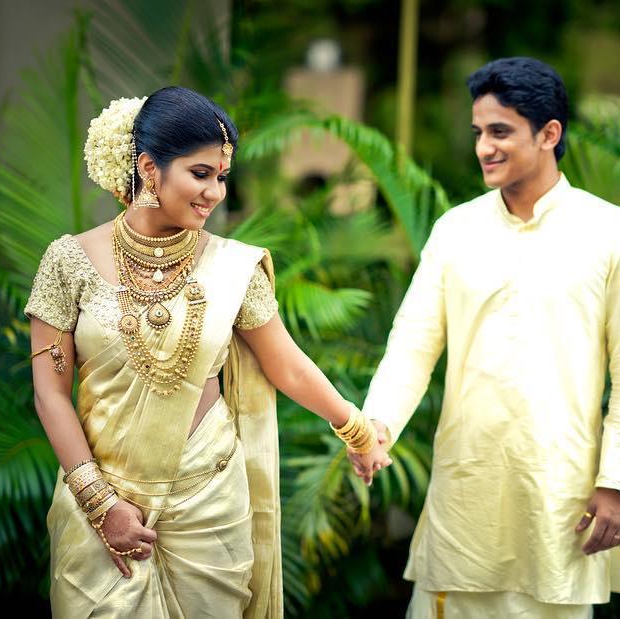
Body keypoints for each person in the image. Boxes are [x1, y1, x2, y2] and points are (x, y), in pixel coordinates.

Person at [25, 86, 391, 618]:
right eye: (200, 174)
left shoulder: (232, 267)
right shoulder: (69, 261)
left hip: (209, 503)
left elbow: (285, 363)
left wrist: (356, 431)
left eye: (222, 176)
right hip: (100, 502)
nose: (215, 192)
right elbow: (49, 392)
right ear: (149, 169)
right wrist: (101, 506)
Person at [350, 57, 620, 617]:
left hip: (560, 502)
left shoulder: (615, 233)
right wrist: (379, 426)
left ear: (549, 134)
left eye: (500, 132)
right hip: (466, 493)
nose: (484, 148)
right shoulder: (456, 230)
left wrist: (618, 483)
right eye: (478, 133)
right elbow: (413, 345)